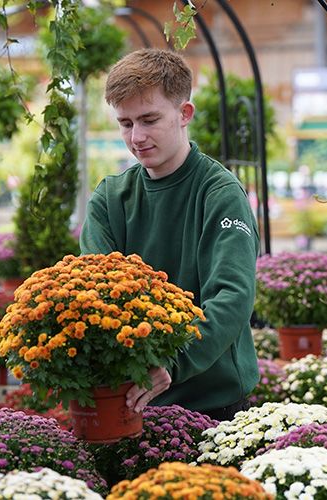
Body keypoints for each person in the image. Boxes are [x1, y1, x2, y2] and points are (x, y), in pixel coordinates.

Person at [79, 48, 260, 421]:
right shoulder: (111, 199)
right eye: (126, 123)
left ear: (184, 114)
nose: (137, 137)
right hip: (128, 400)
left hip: (213, 403)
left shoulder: (220, 194)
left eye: (149, 119)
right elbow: (92, 294)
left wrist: (171, 362)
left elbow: (232, 296)